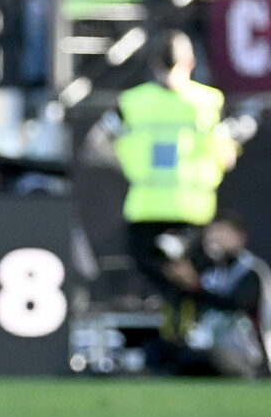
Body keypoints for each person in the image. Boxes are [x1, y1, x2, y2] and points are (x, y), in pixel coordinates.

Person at [112, 30, 238, 299]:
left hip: (172, 215)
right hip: (182, 215)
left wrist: (128, 160)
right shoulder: (209, 102)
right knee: (182, 287)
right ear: (190, 63)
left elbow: (100, 143)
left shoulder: (135, 101)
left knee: (180, 286)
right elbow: (228, 156)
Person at [157, 213, 270, 377]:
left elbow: (235, 304)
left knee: (201, 359)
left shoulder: (251, 270)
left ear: (239, 237)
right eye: (211, 232)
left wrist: (195, 286)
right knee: (165, 350)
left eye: (221, 231)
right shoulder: (214, 271)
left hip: (248, 353)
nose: (214, 238)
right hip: (213, 345)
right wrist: (180, 281)